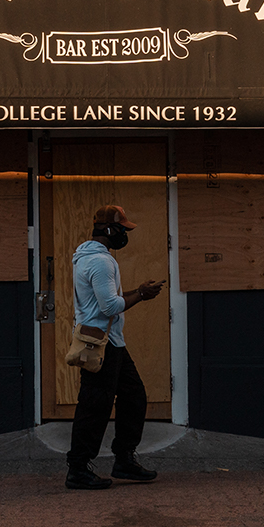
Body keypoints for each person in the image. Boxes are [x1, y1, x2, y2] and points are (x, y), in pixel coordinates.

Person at [65, 204, 165, 490]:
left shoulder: (88, 256)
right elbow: (110, 306)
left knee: (134, 398)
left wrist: (137, 292)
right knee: (95, 405)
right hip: (101, 345)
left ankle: (124, 460)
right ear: (110, 230)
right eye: (123, 229)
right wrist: (142, 296)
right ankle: (78, 469)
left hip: (112, 343)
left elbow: (107, 299)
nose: (125, 234)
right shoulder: (101, 262)